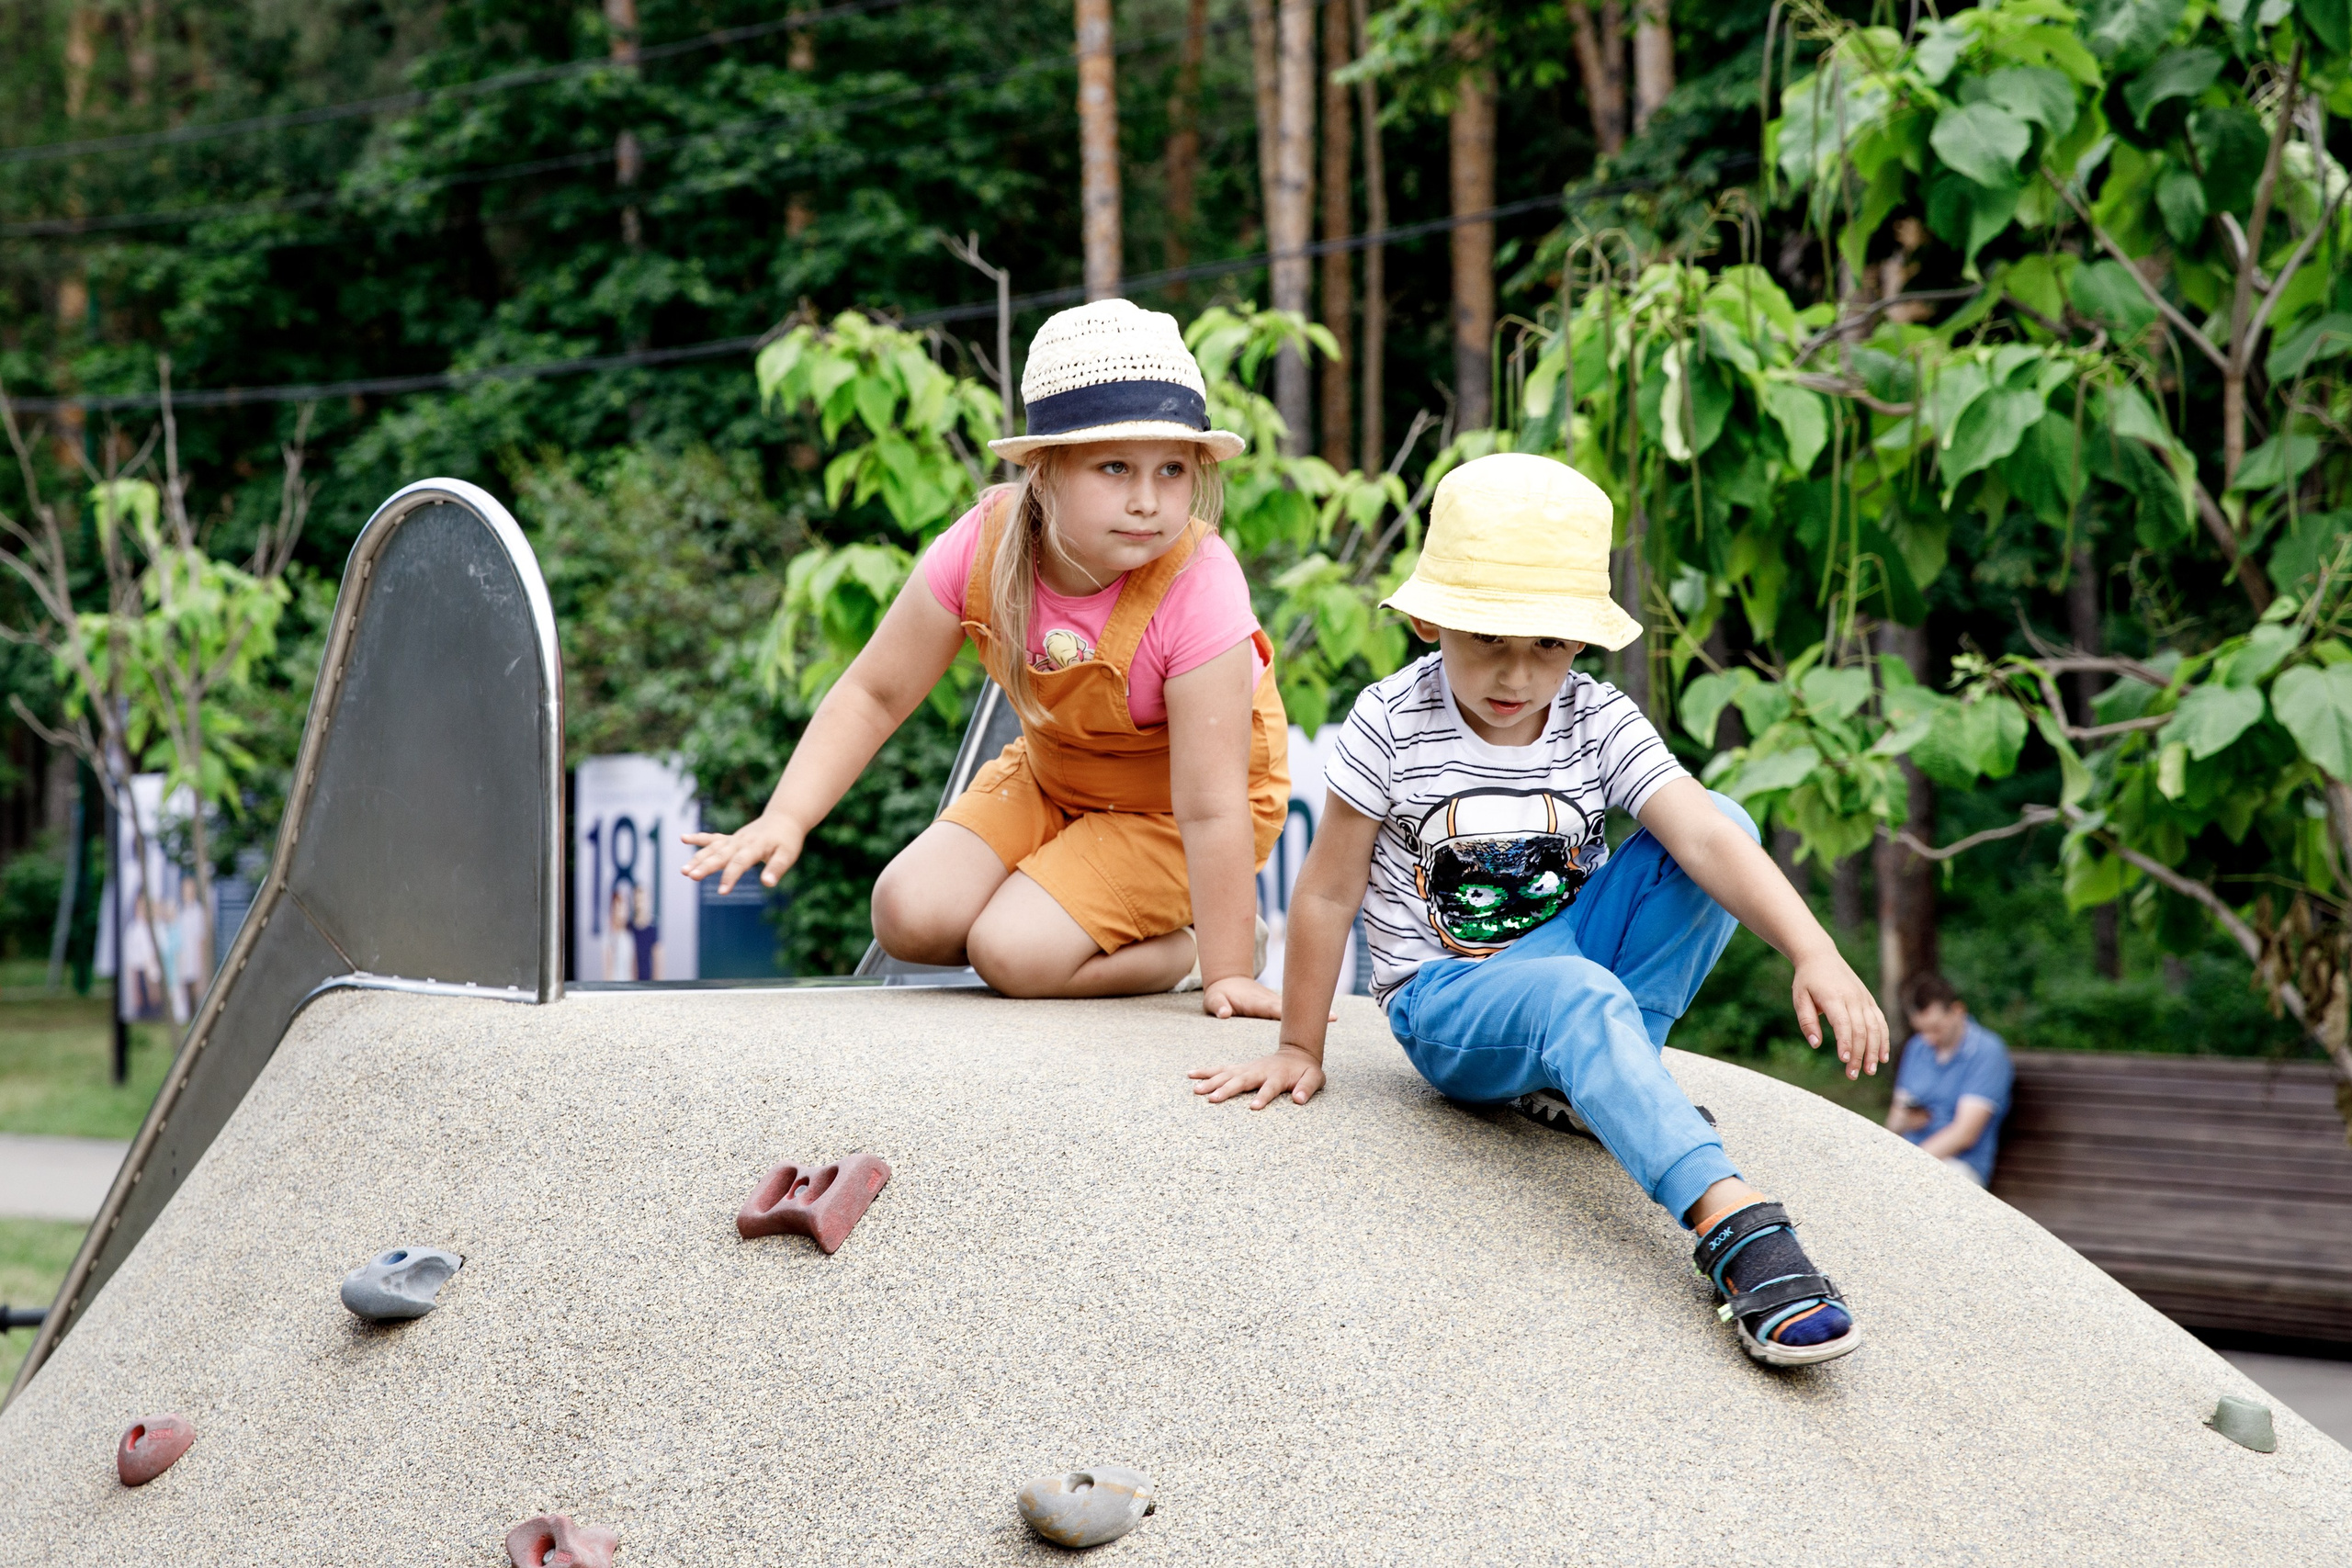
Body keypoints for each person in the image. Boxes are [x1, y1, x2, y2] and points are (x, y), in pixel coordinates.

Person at [1189, 453, 1888, 1368]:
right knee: (1567, 991)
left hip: (1569, 961)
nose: (1517, 673)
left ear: (1581, 643)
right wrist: (1297, 1046)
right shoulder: (1390, 720)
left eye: (1549, 644)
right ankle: (1733, 1224)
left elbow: (1709, 846)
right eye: (1488, 639)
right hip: (1448, 997)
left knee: (1720, 817)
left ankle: (1599, 1079)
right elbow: (1324, 889)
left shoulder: (1595, 716)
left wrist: (1816, 950)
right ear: (1431, 619)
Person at [684, 299, 1290, 1016]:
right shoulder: (985, 547)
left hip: (1176, 813)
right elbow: (874, 693)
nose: (1146, 501)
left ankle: (1203, 947)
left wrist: (1225, 975)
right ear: (1044, 470)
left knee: (1013, 952)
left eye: (1172, 470)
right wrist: (785, 817)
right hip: (1054, 780)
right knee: (906, 911)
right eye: (1115, 466)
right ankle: (1073, 910)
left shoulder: (1200, 583)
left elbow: (1210, 808)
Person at [1886, 972, 2012, 1186]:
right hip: (1910, 1157)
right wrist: (1900, 1122)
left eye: (1936, 1028)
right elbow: (1896, 1117)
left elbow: (1964, 1134)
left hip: (1959, 1164)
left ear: (1957, 1011)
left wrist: (1907, 1168)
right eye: (1922, 1030)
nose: (1929, 1038)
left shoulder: (1987, 1053)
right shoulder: (1917, 1048)